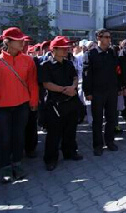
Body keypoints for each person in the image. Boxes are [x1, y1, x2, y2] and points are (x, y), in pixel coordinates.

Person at [0, 27, 39, 183]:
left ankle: (17, 164)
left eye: (22, 39)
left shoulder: (28, 60)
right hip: (2, 109)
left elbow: (32, 83)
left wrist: (34, 102)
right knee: (4, 139)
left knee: (18, 137)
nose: (22, 42)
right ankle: (5, 167)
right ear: (7, 42)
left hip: (22, 106)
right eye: (18, 39)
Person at [41, 36, 83, 171]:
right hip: (55, 105)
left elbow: (75, 77)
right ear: (54, 49)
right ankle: (51, 159)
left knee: (70, 130)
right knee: (54, 133)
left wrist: (72, 87)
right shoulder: (46, 65)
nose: (66, 50)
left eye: (67, 47)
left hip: (70, 102)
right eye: (63, 48)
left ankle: (70, 152)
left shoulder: (68, 64)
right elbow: (46, 84)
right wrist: (65, 90)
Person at [82, 28, 121, 156]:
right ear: (99, 38)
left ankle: (110, 141)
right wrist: (87, 92)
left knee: (111, 118)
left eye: (110, 37)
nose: (109, 39)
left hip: (111, 91)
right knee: (97, 120)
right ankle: (98, 145)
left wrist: (119, 88)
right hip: (97, 92)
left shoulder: (112, 53)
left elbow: (117, 73)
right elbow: (87, 75)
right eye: (106, 37)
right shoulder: (90, 54)